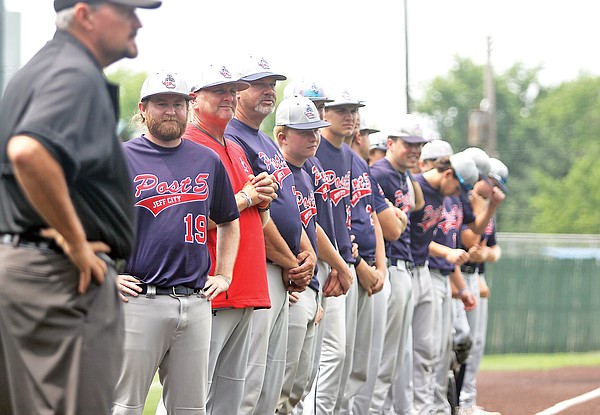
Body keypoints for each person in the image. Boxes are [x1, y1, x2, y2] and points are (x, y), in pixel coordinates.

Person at [0, 1, 161, 414]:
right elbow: (28, 151)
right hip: (61, 280)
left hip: (27, 268)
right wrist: (75, 241)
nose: (138, 21)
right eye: (126, 11)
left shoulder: (38, 69)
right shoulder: (75, 72)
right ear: (86, 14)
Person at [112, 71, 240, 415]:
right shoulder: (120, 158)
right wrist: (105, 272)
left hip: (196, 301)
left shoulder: (207, 160)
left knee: (190, 409)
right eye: (161, 103)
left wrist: (224, 274)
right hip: (139, 299)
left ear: (189, 107)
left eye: (178, 103)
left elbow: (230, 219)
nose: (171, 111)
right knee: (124, 405)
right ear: (143, 108)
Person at [183, 64, 277, 414]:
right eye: (218, 91)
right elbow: (188, 219)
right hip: (212, 288)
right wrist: (247, 197)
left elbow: (253, 217)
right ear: (194, 99)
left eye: (232, 90)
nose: (228, 97)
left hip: (245, 285)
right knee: (191, 398)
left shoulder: (234, 147)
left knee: (231, 400)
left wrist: (262, 203)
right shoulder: (189, 146)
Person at [225, 55, 317, 415]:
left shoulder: (263, 141)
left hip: (282, 270)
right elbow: (254, 216)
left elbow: (290, 206)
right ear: (236, 90)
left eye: (271, 84)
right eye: (258, 83)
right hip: (259, 267)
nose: (268, 90)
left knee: (270, 381)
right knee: (248, 381)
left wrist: (305, 253)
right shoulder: (233, 138)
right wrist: (293, 261)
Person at [273, 96, 331, 414]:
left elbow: (309, 231)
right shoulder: (275, 172)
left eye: (316, 130)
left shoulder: (305, 175)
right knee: (279, 386)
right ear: (282, 136)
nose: (314, 137)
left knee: (300, 385)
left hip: (308, 287)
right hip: (289, 287)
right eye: (305, 131)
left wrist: (316, 292)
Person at [369, 130, 428, 415]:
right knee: (385, 353)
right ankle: (376, 410)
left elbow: (417, 206)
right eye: (409, 145)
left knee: (396, 354)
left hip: (403, 267)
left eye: (420, 146)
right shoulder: (380, 173)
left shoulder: (403, 175)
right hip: (390, 265)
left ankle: (385, 409)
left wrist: (411, 172)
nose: (415, 151)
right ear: (390, 144)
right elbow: (389, 227)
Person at [456, 158, 508, 415]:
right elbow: (469, 238)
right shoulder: (466, 201)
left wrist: (486, 256)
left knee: (473, 343)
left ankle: (466, 401)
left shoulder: (487, 207)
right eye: (493, 183)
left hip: (473, 276)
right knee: (458, 342)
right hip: (457, 276)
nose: (495, 189)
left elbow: (494, 249)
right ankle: (457, 401)